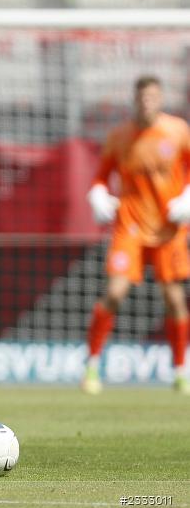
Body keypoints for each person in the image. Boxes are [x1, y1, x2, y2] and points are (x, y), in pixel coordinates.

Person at [83, 75, 190, 394]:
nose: (147, 102)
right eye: (142, 97)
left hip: (168, 228)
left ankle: (180, 369)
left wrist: (187, 198)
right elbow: (100, 178)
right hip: (129, 226)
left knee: (174, 299)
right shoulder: (119, 136)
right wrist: (98, 195)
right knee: (114, 293)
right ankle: (91, 365)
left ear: (160, 99)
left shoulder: (178, 131)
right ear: (135, 99)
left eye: (153, 97)